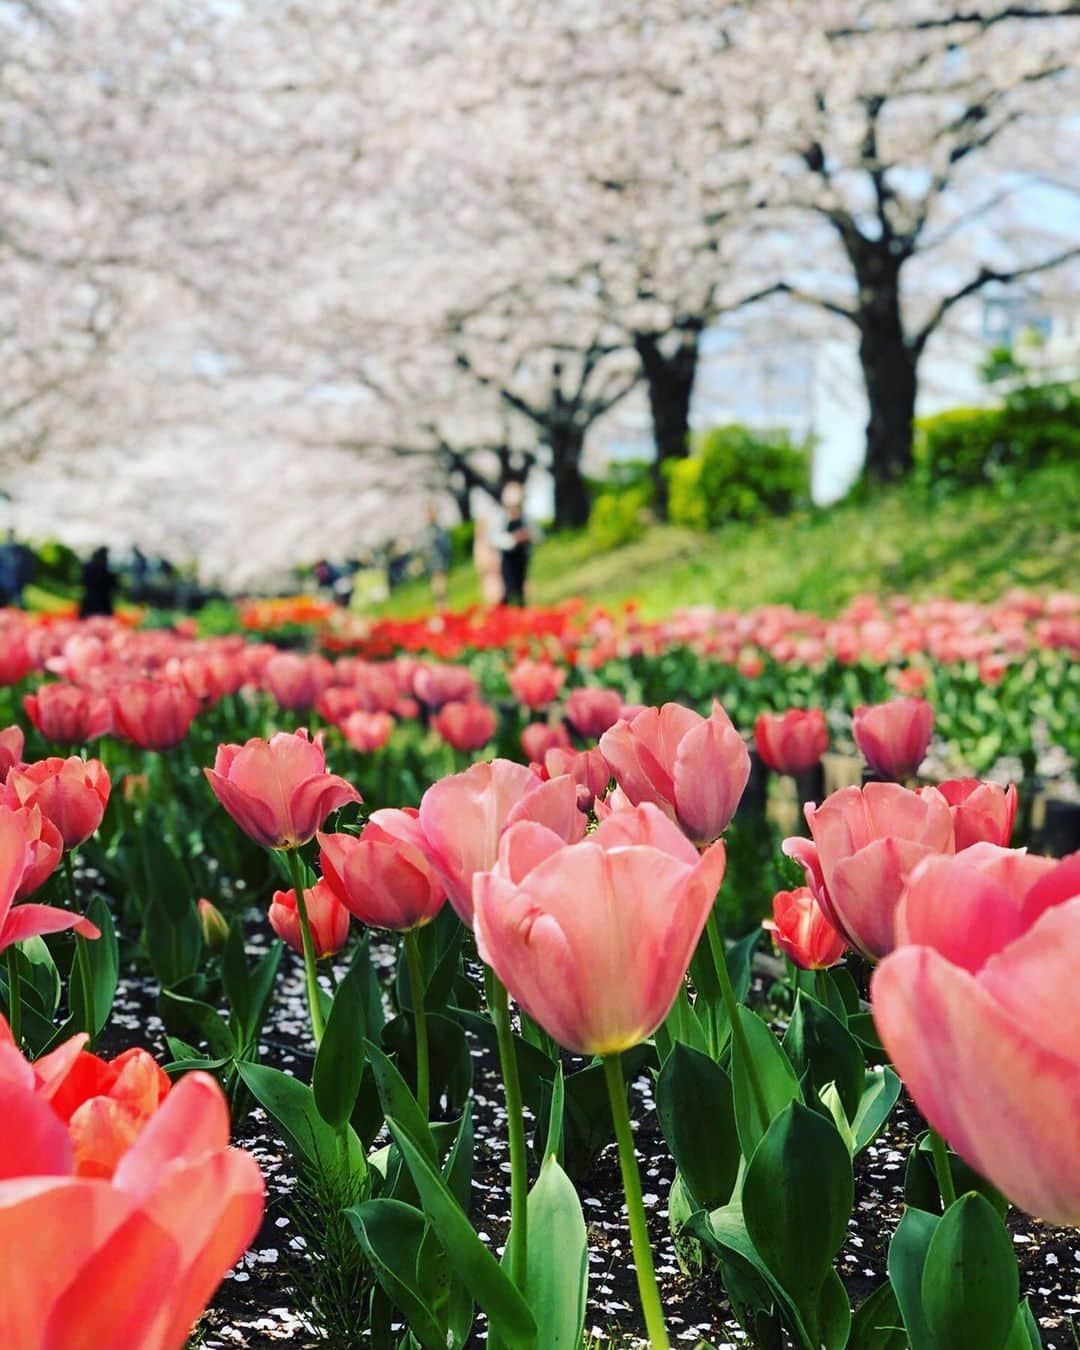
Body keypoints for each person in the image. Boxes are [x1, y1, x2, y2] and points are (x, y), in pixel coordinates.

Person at [492, 482, 536, 607]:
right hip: (508, 557)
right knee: (509, 586)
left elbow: (537, 535)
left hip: (522, 555)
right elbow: (495, 538)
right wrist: (512, 539)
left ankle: (521, 608)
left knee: (520, 584)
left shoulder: (525, 518)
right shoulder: (501, 518)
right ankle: (504, 609)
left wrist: (528, 537)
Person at [422, 507, 452, 609]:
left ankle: (444, 605)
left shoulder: (438, 529)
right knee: (437, 585)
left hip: (441, 561)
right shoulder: (428, 531)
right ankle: (440, 606)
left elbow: (445, 545)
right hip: (434, 562)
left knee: (442, 584)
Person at [473, 517, 503, 607]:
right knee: (492, 595)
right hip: (488, 574)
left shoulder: (490, 541)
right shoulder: (479, 544)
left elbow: (497, 556)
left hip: (496, 572)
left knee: (499, 593)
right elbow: (480, 563)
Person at [79, 546, 117, 618]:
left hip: (91, 601)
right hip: (101, 602)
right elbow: (113, 585)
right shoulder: (105, 570)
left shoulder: (88, 567)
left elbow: (83, 581)